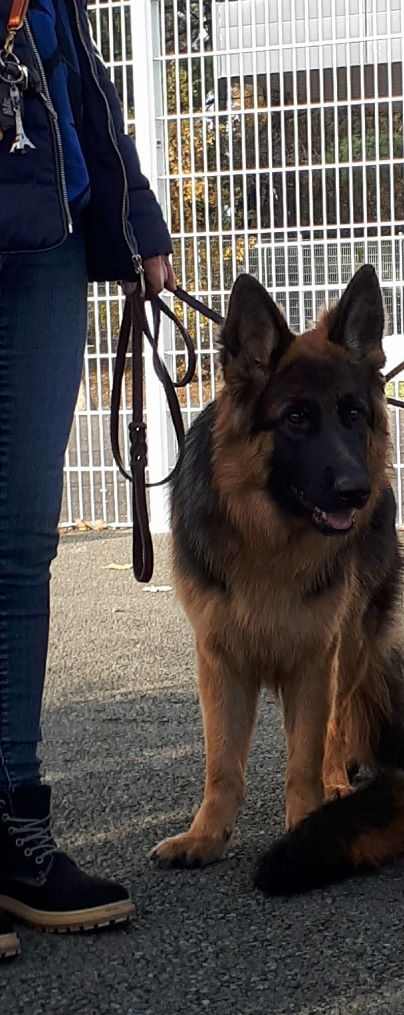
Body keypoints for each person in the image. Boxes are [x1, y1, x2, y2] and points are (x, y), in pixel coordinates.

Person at [0, 0, 174, 957]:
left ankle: (17, 827)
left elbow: (77, 71)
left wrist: (134, 211)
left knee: (24, 542)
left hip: (44, 228)